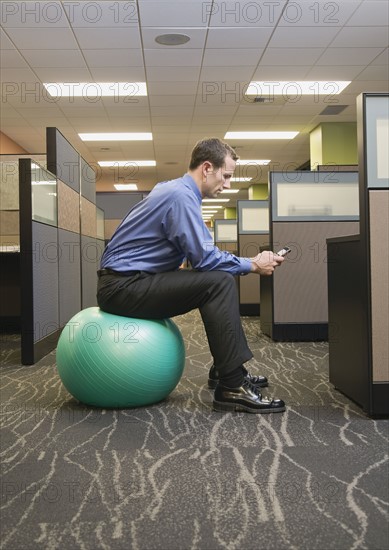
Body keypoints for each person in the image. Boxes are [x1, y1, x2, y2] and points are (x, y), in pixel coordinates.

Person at [97, 137, 286, 414]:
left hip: (130, 282)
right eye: (227, 175)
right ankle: (231, 385)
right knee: (219, 282)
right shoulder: (181, 197)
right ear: (207, 168)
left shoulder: (176, 191)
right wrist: (254, 265)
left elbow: (201, 257)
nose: (229, 183)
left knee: (217, 280)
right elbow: (206, 259)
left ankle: (226, 371)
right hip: (122, 287)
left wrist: (245, 263)